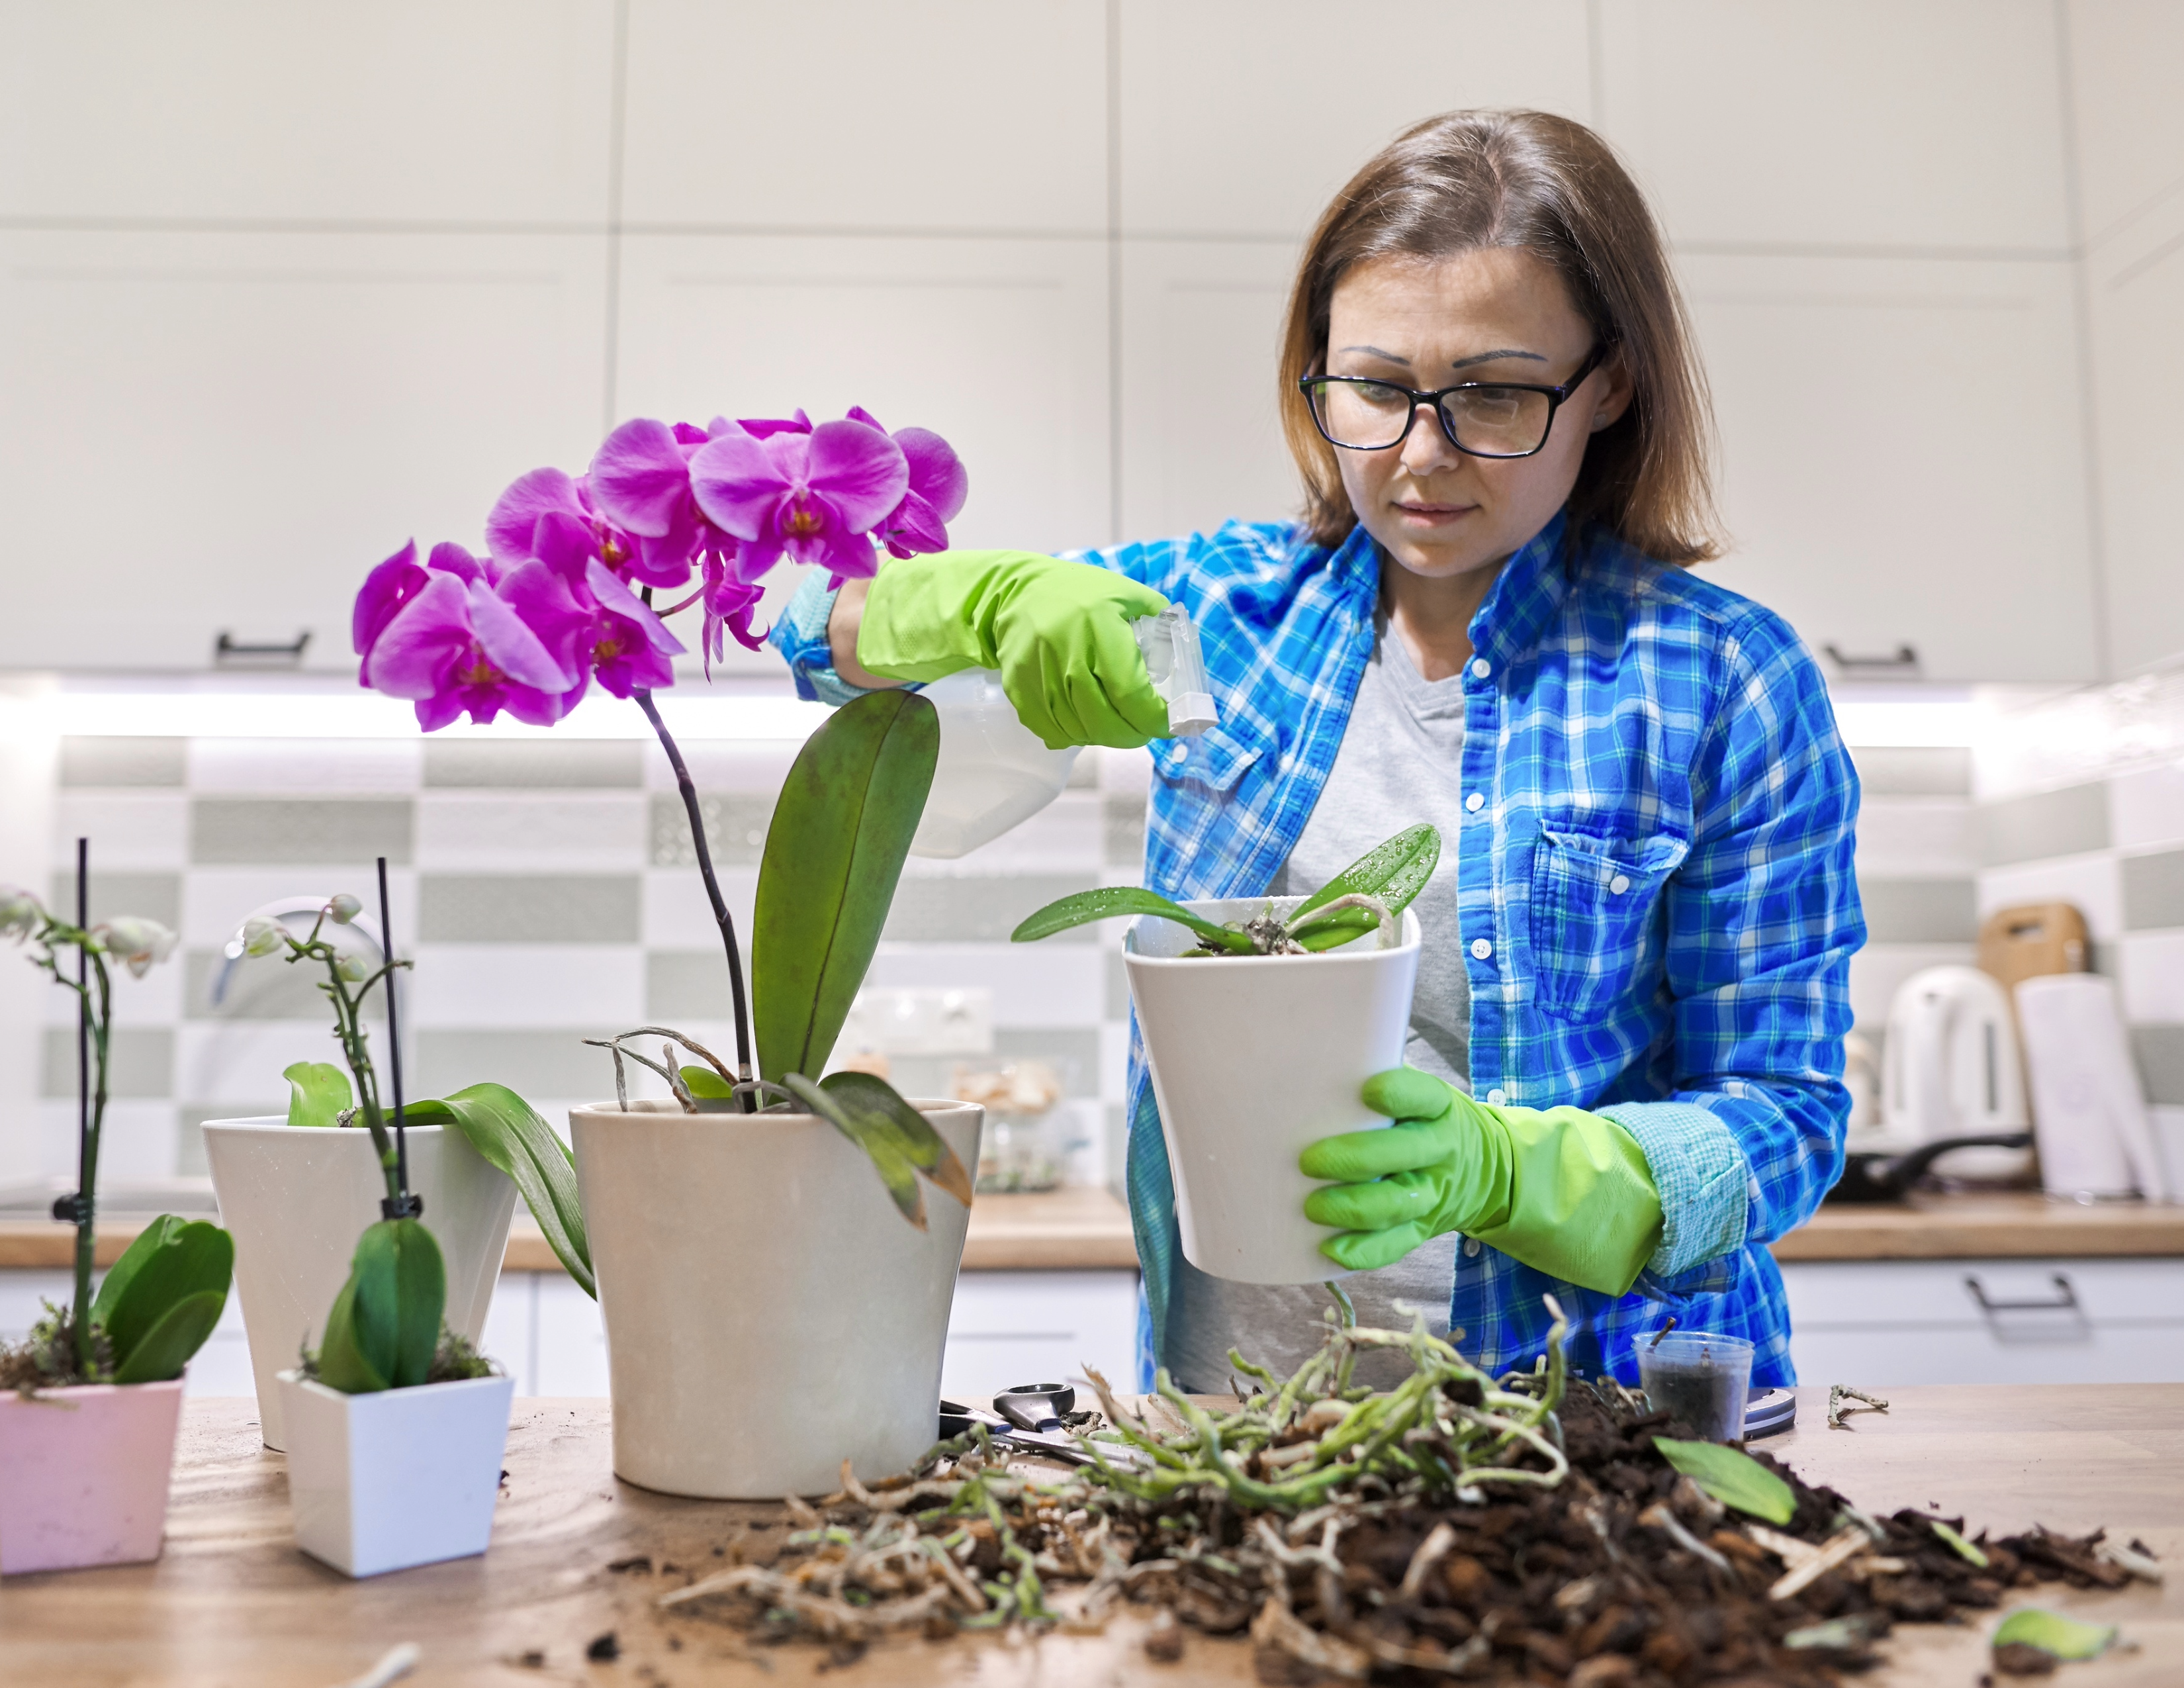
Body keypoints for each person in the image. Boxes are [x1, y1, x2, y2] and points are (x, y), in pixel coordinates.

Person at [772, 109, 1862, 1392]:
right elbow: (796, 624)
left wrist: (1522, 1175)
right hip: (1241, 1425)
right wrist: (982, 602)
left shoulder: (1721, 679)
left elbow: (1785, 1119)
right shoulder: (1215, 620)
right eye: (1377, 387)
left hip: (1590, 1416)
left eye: (1496, 393)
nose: (1419, 455)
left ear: (1610, 383)